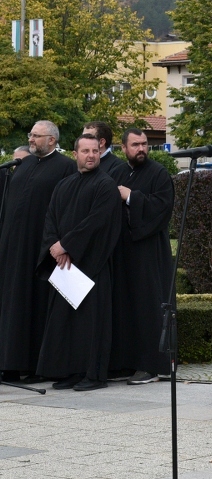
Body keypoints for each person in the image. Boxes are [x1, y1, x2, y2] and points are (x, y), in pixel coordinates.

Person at [35, 134, 121, 391]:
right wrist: (55, 246)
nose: (91, 155)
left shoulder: (105, 185)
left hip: (93, 265)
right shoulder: (64, 185)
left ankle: (94, 375)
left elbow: (97, 222)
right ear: (75, 154)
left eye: (95, 151)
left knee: (92, 324)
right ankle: (71, 371)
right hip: (66, 267)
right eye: (85, 151)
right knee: (66, 323)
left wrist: (67, 246)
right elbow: (50, 218)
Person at [0, 122, 77, 382]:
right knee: (12, 304)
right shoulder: (24, 164)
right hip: (13, 249)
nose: (31, 139)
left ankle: (35, 367)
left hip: (41, 249)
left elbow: (66, 209)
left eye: (36, 135)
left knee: (35, 305)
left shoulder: (65, 167)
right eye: (30, 135)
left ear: (52, 140)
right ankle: (9, 363)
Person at [109, 128, 175, 385]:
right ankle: (125, 362)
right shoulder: (117, 172)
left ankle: (151, 366)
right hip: (122, 251)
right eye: (135, 144)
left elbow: (162, 208)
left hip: (149, 252)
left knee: (148, 305)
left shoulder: (158, 173)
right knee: (124, 305)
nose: (141, 149)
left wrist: (131, 198)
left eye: (144, 144)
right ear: (124, 148)